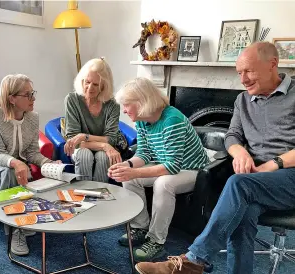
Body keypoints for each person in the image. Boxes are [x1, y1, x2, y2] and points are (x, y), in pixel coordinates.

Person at [134, 42, 295, 274]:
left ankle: (194, 260)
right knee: (243, 213)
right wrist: (238, 150)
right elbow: (232, 136)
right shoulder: (243, 100)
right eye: (239, 73)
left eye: (249, 71)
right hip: (257, 179)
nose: (243, 79)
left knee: (239, 185)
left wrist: (274, 163)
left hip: (288, 176)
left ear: (272, 65)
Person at [109, 77, 209, 262]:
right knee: (128, 178)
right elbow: (144, 153)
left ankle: (156, 240)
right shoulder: (141, 120)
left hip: (194, 170)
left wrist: (135, 172)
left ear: (141, 102)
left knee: (164, 184)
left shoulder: (172, 120)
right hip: (167, 165)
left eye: (126, 105)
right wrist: (127, 166)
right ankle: (140, 227)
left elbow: (172, 166)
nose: (123, 110)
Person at [0, 74, 59, 256]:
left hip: (16, 163)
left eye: (33, 93)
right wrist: (16, 163)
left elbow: (31, 152)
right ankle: (16, 230)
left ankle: (26, 218)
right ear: (12, 98)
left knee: (18, 171)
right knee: (9, 172)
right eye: (28, 95)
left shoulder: (33, 117)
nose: (34, 99)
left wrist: (50, 163)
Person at [64, 57, 128, 183]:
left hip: (101, 149)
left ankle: (99, 197)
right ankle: (82, 196)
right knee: (84, 155)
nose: (89, 87)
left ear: (104, 86)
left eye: (95, 84)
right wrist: (104, 145)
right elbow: (74, 140)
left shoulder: (113, 104)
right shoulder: (72, 100)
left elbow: (112, 139)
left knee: (103, 157)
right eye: (87, 82)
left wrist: (84, 136)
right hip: (82, 149)